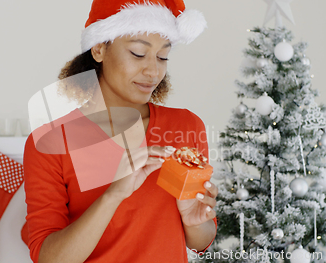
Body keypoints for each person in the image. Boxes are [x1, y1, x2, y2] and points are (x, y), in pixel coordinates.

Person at [23, 1, 218, 262]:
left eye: (163, 56)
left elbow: (201, 240)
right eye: (138, 53)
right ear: (99, 48)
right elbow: (49, 258)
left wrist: (194, 220)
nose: (153, 71)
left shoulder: (186, 127)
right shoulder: (49, 142)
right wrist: (112, 195)